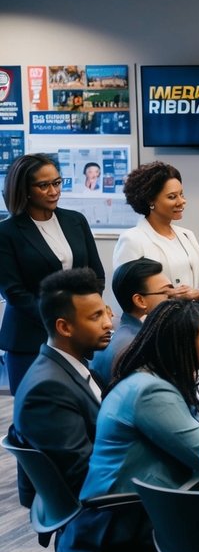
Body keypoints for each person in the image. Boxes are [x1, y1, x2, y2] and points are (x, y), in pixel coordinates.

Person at [58, 300, 199, 552]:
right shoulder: (150, 391)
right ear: (182, 346)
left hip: (125, 508)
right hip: (119, 520)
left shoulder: (148, 378)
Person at [0, 153, 105, 393]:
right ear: (24, 189)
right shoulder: (7, 232)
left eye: (57, 183)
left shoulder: (75, 220)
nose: (53, 191)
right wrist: (60, 319)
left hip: (75, 336)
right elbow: (14, 292)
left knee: (78, 406)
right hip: (30, 338)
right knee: (36, 413)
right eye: (43, 185)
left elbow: (96, 275)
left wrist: (83, 315)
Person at [9, 268, 112, 508]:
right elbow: (83, 477)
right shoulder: (47, 389)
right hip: (98, 520)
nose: (108, 323)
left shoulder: (77, 368)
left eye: (105, 313)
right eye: (96, 317)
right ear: (64, 327)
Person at [113, 161, 199, 306]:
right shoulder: (132, 239)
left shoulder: (187, 235)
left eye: (181, 194)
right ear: (150, 200)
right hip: (158, 324)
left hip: (193, 321)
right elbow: (126, 294)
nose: (181, 201)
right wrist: (168, 295)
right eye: (172, 197)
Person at [92, 258, 173, 387]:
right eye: (166, 293)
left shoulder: (125, 331)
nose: (174, 298)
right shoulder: (133, 347)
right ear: (140, 301)